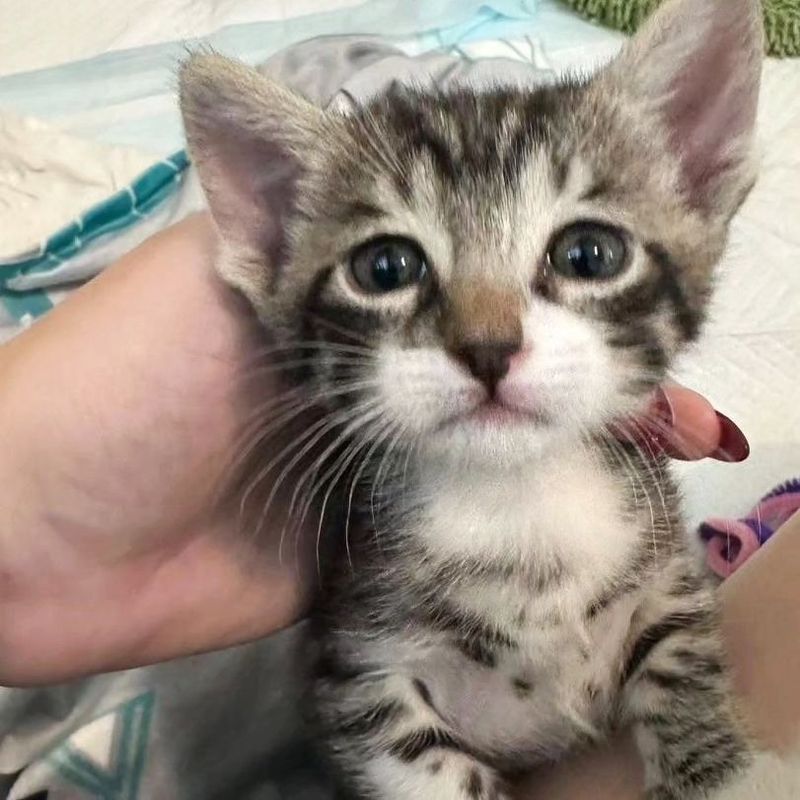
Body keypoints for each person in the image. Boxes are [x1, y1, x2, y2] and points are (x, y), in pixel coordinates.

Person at [0, 213, 795, 797]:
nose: (489, 337)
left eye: (583, 256)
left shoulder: (634, 492)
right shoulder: (368, 530)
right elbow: (364, 700)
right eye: (388, 270)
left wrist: (704, 762)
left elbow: (671, 616)